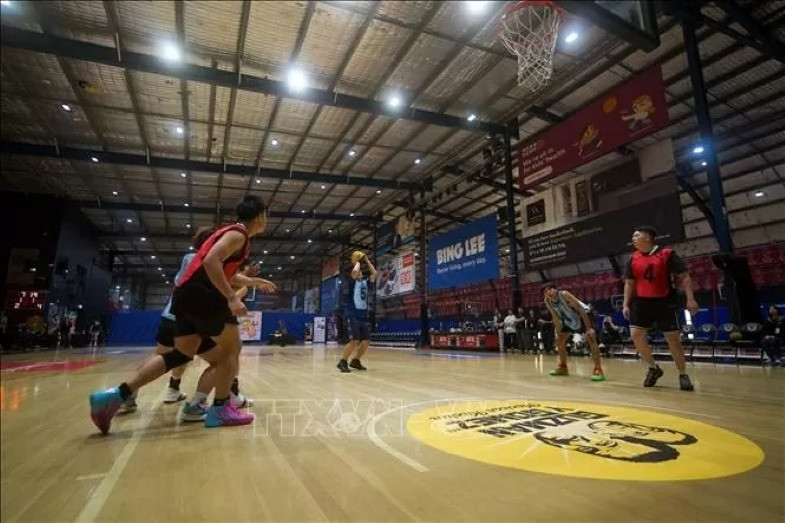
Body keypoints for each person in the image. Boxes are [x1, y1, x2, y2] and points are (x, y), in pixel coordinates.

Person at [89, 195, 275, 433]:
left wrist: (251, 280)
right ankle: (219, 411)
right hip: (203, 296)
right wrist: (230, 297)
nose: (266, 220)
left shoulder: (231, 234)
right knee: (232, 350)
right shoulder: (238, 235)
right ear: (259, 216)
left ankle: (115, 396)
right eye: (266, 215)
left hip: (185, 296)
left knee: (180, 355)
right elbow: (211, 262)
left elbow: (218, 267)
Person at [623, 226, 698, 391]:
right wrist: (625, 304)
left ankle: (683, 375)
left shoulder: (667, 254)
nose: (633, 239)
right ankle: (653, 368)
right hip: (641, 302)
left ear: (648, 237)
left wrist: (690, 299)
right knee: (635, 335)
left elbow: (684, 276)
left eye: (636, 236)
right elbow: (629, 283)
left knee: (673, 340)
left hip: (665, 301)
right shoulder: (632, 258)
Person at [543, 283, 605, 382]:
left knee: (591, 337)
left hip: (584, 316)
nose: (548, 292)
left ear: (555, 289)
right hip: (568, 320)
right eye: (546, 291)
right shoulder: (547, 301)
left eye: (550, 289)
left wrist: (588, 328)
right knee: (559, 341)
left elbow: (580, 309)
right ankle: (563, 367)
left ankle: (598, 369)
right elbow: (556, 317)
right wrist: (558, 331)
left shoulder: (564, 294)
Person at [337, 251, 377, 373]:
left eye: (360, 271)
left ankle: (356, 361)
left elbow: (374, 273)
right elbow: (354, 272)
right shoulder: (351, 281)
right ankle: (342, 362)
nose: (360, 272)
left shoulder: (365, 281)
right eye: (358, 271)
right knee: (354, 340)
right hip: (352, 315)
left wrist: (366, 260)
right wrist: (358, 261)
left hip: (362, 316)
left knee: (366, 340)